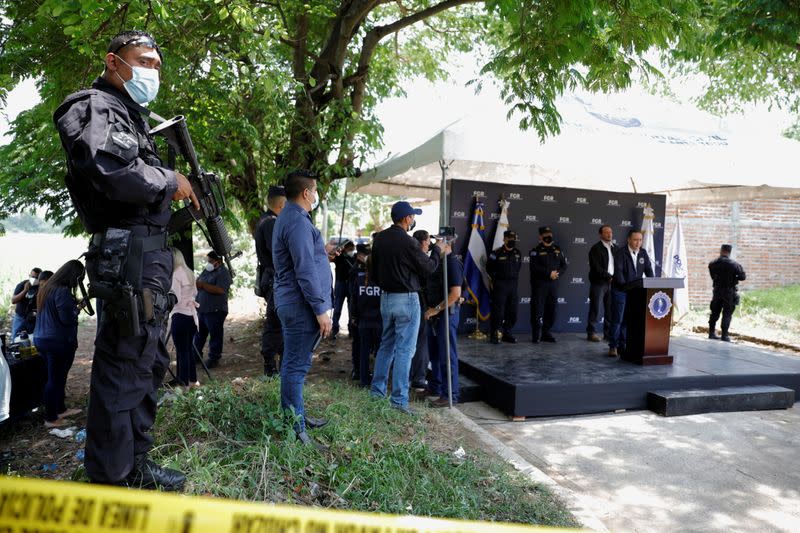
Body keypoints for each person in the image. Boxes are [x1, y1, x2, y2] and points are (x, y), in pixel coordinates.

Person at [53, 30, 197, 490]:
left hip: (145, 255)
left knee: (148, 361)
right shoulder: (93, 105)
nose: (152, 71)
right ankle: (111, 478)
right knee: (124, 364)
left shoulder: (130, 114)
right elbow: (113, 173)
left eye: (157, 64)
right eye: (144, 61)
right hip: (127, 255)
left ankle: (135, 463)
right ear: (114, 62)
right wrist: (168, 178)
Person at [272, 170, 333, 448]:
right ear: (307, 193)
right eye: (316, 190)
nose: (317, 195)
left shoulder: (292, 218)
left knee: (292, 364)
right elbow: (305, 268)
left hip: (293, 302)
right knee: (295, 367)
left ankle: (297, 417)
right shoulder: (296, 220)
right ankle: (296, 431)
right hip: (300, 305)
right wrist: (320, 309)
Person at [370, 202, 442, 415]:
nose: (413, 220)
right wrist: (437, 250)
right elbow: (428, 268)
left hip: (386, 299)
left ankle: (377, 393)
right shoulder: (408, 241)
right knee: (404, 351)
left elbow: (374, 273)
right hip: (406, 300)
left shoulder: (380, 239)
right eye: (412, 216)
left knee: (386, 347)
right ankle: (399, 401)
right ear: (405, 219)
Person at [33, 260, 85, 428]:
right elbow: (67, 319)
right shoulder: (62, 291)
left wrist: (73, 306)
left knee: (58, 376)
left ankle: (60, 409)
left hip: (43, 339)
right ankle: (51, 418)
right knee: (54, 379)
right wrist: (77, 309)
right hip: (56, 341)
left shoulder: (46, 288)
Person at [424, 236, 463, 407]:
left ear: (447, 244)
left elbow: (456, 294)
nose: (435, 244)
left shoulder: (452, 263)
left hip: (445, 314)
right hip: (435, 316)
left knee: (447, 356)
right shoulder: (438, 262)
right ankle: (435, 387)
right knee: (434, 354)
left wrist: (436, 309)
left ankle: (450, 395)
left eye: (439, 241)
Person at [254, 185, 286, 376]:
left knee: (277, 324)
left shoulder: (264, 220)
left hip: (271, 278)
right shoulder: (271, 223)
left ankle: (277, 366)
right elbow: (278, 255)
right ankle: (271, 368)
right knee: (275, 324)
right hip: (274, 278)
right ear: (282, 204)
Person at [607, 229, 654, 357]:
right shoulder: (620, 253)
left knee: (628, 320)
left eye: (640, 240)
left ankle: (624, 345)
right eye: (635, 240)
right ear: (629, 240)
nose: (638, 243)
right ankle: (613, 346)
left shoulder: (643, 253)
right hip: (620, 291)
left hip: (636, 292)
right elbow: (619, 273)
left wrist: (653, 284)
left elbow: (649, 270)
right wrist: (628, 287)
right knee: (618, 320)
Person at [349, 244, 382, 388]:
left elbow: (353, 301)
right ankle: (378, 380)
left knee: (364, 351)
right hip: (379, 322)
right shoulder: (383, 282)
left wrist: (354, 317)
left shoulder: (360, 280)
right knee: (380, 352)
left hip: (363, 321)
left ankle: (363, 380)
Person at [193, 251, 232, 369]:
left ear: (217, 261)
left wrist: (203, 285)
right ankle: (196, 356)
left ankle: (214, 358)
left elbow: (221, 290)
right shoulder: (207, 271)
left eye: (210, 261)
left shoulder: (223, 273)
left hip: (215, 310)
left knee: (215, 335)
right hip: (203, 309)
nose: (208, 263)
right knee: (199, 334)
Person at [529, 226, 567, 343]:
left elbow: (564, 265)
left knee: (552, 309)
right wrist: (548, 273)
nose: (548, 236)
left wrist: (557, 274)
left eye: (550, 234)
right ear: (540, 237)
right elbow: (534, 267)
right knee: (537, 310)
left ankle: (546, 333)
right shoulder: (535, 251)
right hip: (540, 285)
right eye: (545, 234)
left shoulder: (557, 249)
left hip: (553, 285)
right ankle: (536, 335)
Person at [170, 248, 199, 387]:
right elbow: (195, 292)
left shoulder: (175, 274)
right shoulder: (190, 272)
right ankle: (193, 380)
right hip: (191, 316)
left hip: (180, 315)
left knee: (182, 352)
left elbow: (175, 297)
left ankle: (183, 383)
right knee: (189, 350)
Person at [487, 230, 522, 344]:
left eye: (513, 238)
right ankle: (495, 334)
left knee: (512, 311)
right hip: (500, 285)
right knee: (498, 312)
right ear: (504, 239)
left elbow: (518, 268)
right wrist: (496, 279)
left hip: (513, 285)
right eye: (509, 238)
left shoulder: (517, 253)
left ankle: (507, 332)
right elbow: (489, 268)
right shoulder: (496, 253)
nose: (511, 240)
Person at [708, 244, 747, 342]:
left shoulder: (713, 263)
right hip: (729, 292)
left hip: (717, 291)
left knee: (714, 312)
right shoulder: (734, 264)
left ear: (721, 250)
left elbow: (713, 276)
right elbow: (743, 277)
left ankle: (711, 333)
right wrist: (734, 277)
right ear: (729, 252)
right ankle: (724, 336)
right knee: (727, 313)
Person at [586, 225, 618, 342]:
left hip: (613, 283)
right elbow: (596, 268)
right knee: (595, 308)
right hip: (599, 283)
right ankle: (591, 333)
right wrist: (609, 276)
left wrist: (615, 278)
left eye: (610, 232)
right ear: (600, 235)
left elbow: (618, 265)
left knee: (610, 309)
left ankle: (608, 334)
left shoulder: (616, 248)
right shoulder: (595, 249)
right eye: (606, 232)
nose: (609, 234)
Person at [409, 230, 432, 390]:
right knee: (420, 342)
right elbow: (429, 272)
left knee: (407, 342)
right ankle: (418, 378)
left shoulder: (408, 254)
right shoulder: (421, 257)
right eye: (429, 240)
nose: (430, 243)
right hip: (419, 302)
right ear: (423, 242)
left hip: (409, 300)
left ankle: (408, 376)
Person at [332, 241, 357, 338]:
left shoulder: (355, 258)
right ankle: (334, 328)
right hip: (340, 284)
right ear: (345, 249)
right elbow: (333, 255)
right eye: (349, 249)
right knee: (337, 307)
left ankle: (351, 330)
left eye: (352, 249)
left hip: (351, 284)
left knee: (351, 309)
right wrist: (339, 249)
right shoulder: (340, 257)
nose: (351, 251)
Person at [10, 268, 42, 339]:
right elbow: (13, 300)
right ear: (29, 276)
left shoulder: (42, 286)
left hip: (33, 318)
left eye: (37, 278)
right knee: (16, 338)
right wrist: (25, 290)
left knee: (33, 338)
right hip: (20, 316)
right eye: (33, 277)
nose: (35, 279)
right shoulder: (22, 285)